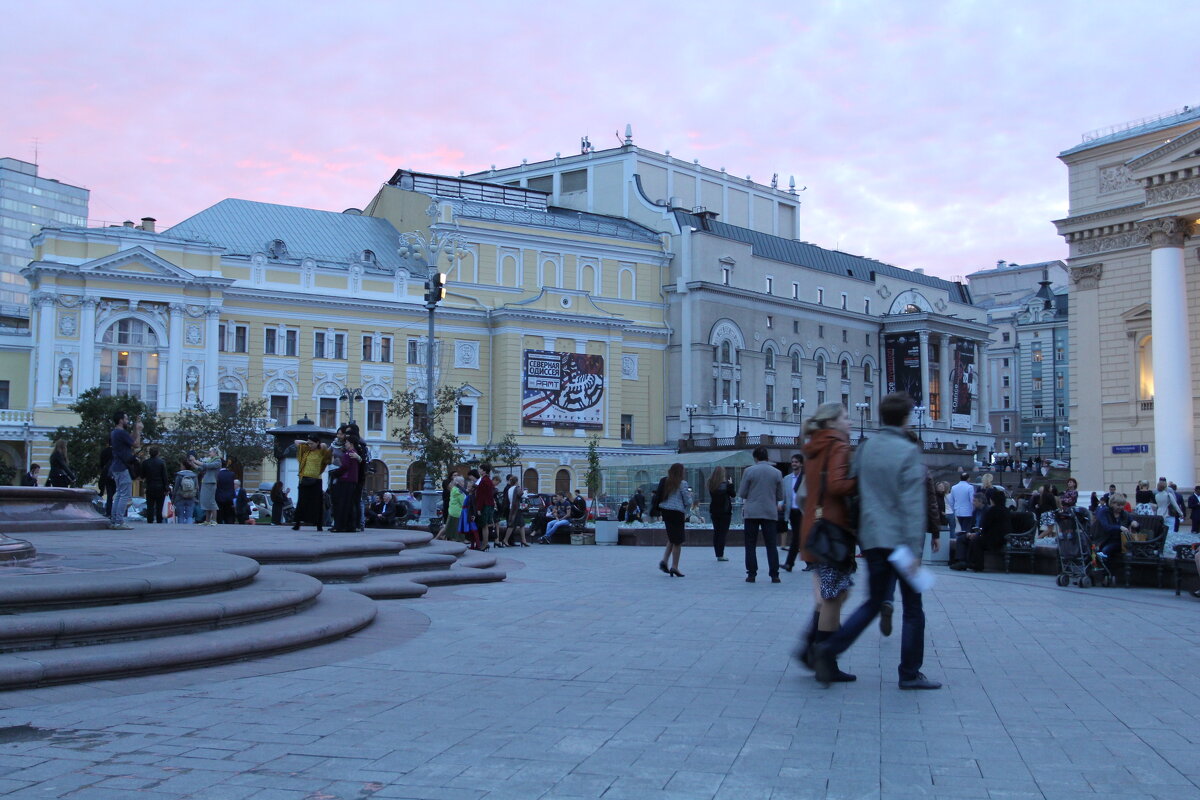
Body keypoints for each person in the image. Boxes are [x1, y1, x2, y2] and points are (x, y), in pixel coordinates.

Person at [812, 392, 941, 691]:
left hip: (871, 538)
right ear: (906, 418)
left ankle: (829, 648)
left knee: (873, 602)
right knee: (913, 607)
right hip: (901, 541)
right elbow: (912, 504)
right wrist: (914, 549)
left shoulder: (866, 447)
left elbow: (855, 493)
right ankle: (909, 672)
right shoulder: (908, 451)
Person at [794, 403, 858, 682]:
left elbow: (806, 494)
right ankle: (823, 658)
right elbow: (836, 485)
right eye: (846, 417)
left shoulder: (814, 446)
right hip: (833, 530)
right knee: (833, 597)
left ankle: (811, 645)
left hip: (816, 527)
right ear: (832, 421)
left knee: (837, 593)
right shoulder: (838, 445)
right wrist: (860, 480)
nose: (850, 422)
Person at [738, 444, 785, 584]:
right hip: (769, 511)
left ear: (755, 457)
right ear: (767, 457)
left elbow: (742, 493)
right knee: (771, 544)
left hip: (752, 512)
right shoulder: (777, 473)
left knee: (750, 544)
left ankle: (751, 574)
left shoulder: (749, 471)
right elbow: (780, 495)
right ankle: (774, 574)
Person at [108, 410, 143, 530]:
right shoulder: (120, 433)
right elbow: (136, 444)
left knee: (119, 495)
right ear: (121, 420)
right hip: (123, 467)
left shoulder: (116, 433)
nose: (127, 421)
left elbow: (130, 440)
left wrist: (135, 428)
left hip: (116, 466)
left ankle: (114, 520)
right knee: (124, 495)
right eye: (126, 419)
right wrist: (138, 431)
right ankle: (119, 521)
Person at [655, 463, 692, 578]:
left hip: (665, 511)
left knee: (672, 537)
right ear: (680, 472)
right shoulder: (682, 483)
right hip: (677, 513)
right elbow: (688, 501)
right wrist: (690, 496)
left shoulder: (666, 482)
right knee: (678, 541)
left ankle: (664, 561)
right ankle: (675, 566)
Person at [293, 434, 331, 531]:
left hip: (316, 480)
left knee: (317, 503)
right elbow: (296, 442)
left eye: (312, 443)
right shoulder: (306, 450)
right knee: (302, 502)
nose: (310, 445)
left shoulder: (321, 451)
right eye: (309, 443)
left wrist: (318, 444)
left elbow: (325, 446)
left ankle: (319, 525)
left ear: (317, 443)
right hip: (304, 479)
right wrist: (307, 442)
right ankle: (297, 524)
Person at [329, 431, 363, 532]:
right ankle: (350, 526)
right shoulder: (355, 453)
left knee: (342, 504)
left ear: (351, 444)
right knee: (350, 504)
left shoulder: (349, 454)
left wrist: (336, 473)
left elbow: (345, 467)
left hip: (345, 480)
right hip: (352, 481)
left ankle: (340, 526)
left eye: (347, 442)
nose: (346, 444)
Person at [781, 454, 807, 572]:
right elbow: (783, 495)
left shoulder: (806, 478)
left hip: (804, 512)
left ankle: (789, 563)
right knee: (799, 537)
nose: (794, 464)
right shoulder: (787, 479)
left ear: (801, 464)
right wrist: (781, 503)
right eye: (792, 462)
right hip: (792, 511)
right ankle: (811, 562)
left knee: (797, 537)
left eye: (796, 462)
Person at [707, 466, 736, 562]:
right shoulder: (726, 485)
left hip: (714, 510)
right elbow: (733, 494)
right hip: (725, 511)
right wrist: (731, 484)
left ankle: (717, 553)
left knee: (716, 532)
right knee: (723, 533)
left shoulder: (711, 483)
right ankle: (721, 554)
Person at [1094, 493, 1133, 563]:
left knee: (1107, 550)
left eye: (1122, 505)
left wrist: (1135, 523)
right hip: (1104, 540)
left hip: (1120, 541)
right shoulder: (1104, 512)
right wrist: (1120, 527)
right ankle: (1104, 571)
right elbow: (1106, 527)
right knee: (1105, 550)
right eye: (1118, 505)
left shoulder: (1124, 514)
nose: (1121, 507)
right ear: (1111, 504)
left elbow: (1133, 522)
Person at [141, 447, 169, 524]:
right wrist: (166, 488)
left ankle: (150, 520)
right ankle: (159, 520)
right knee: (159, 505)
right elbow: (165, 476)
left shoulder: (145, 463)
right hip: (160, 486)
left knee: (150, 505)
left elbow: (142, 475)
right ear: (157, 453)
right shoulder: (161, 462)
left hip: (149, 486)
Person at [195, 447, 222, 526]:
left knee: (211, 502)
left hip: (211, 482)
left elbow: (207, 465)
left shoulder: (218, 461)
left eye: (210, 452)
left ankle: (214, 520)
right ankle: (207, 520)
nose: (209, 453)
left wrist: (195, 461)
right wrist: (192, 463)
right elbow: (201, 468)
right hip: (206, 482)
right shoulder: (210, 460)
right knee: (206, 502)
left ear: (215, 453)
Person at [475, 463, 497, 550]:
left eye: (480, 469)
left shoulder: (484, 481)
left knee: (484, 526)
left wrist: (479, 508)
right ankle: (485, 544)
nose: (479, 470)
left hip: (485, 505)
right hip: (489, 504)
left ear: (484, 471)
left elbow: (481, 496)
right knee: (486, 525)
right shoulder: (488, 480)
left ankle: (484, 544)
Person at [172, 455, 199, 525]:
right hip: (191, 497)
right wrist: (197, 498)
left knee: (180, 515)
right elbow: (197, 487)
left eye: (181, 465)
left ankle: (181, 531)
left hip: (180, 497)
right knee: (189, 515)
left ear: (184, 466)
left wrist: (173, 499)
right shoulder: (194, 475)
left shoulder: (179, 475)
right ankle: (189, 530)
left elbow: (176, 488)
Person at [502, 476, 528, 547]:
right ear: (516, 481)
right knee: (512, 525)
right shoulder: (517, 488)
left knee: (521, 524)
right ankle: (505, 540)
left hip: (512, 507)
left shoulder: (510, 489)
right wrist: (525, 491)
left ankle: (523, 540)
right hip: (516, 508)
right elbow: (521, 495)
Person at [444, 477, 466, 542]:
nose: (464, 483)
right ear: (458, 483)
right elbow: (462, 502)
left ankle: (449, 539)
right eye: (462, 482)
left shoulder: (453, 489)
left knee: (451, 528)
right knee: (457, 529)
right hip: (458, 512)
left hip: (452, 511)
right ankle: (458, 541)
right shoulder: (459, 491)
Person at [98, 444, 116, 517]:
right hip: (116, 473)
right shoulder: (117, 451)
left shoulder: (105, 451)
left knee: (109, 494)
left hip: (107, 474)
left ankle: (109, 511)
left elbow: (101, 464)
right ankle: (114, 512)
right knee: (117, 494)